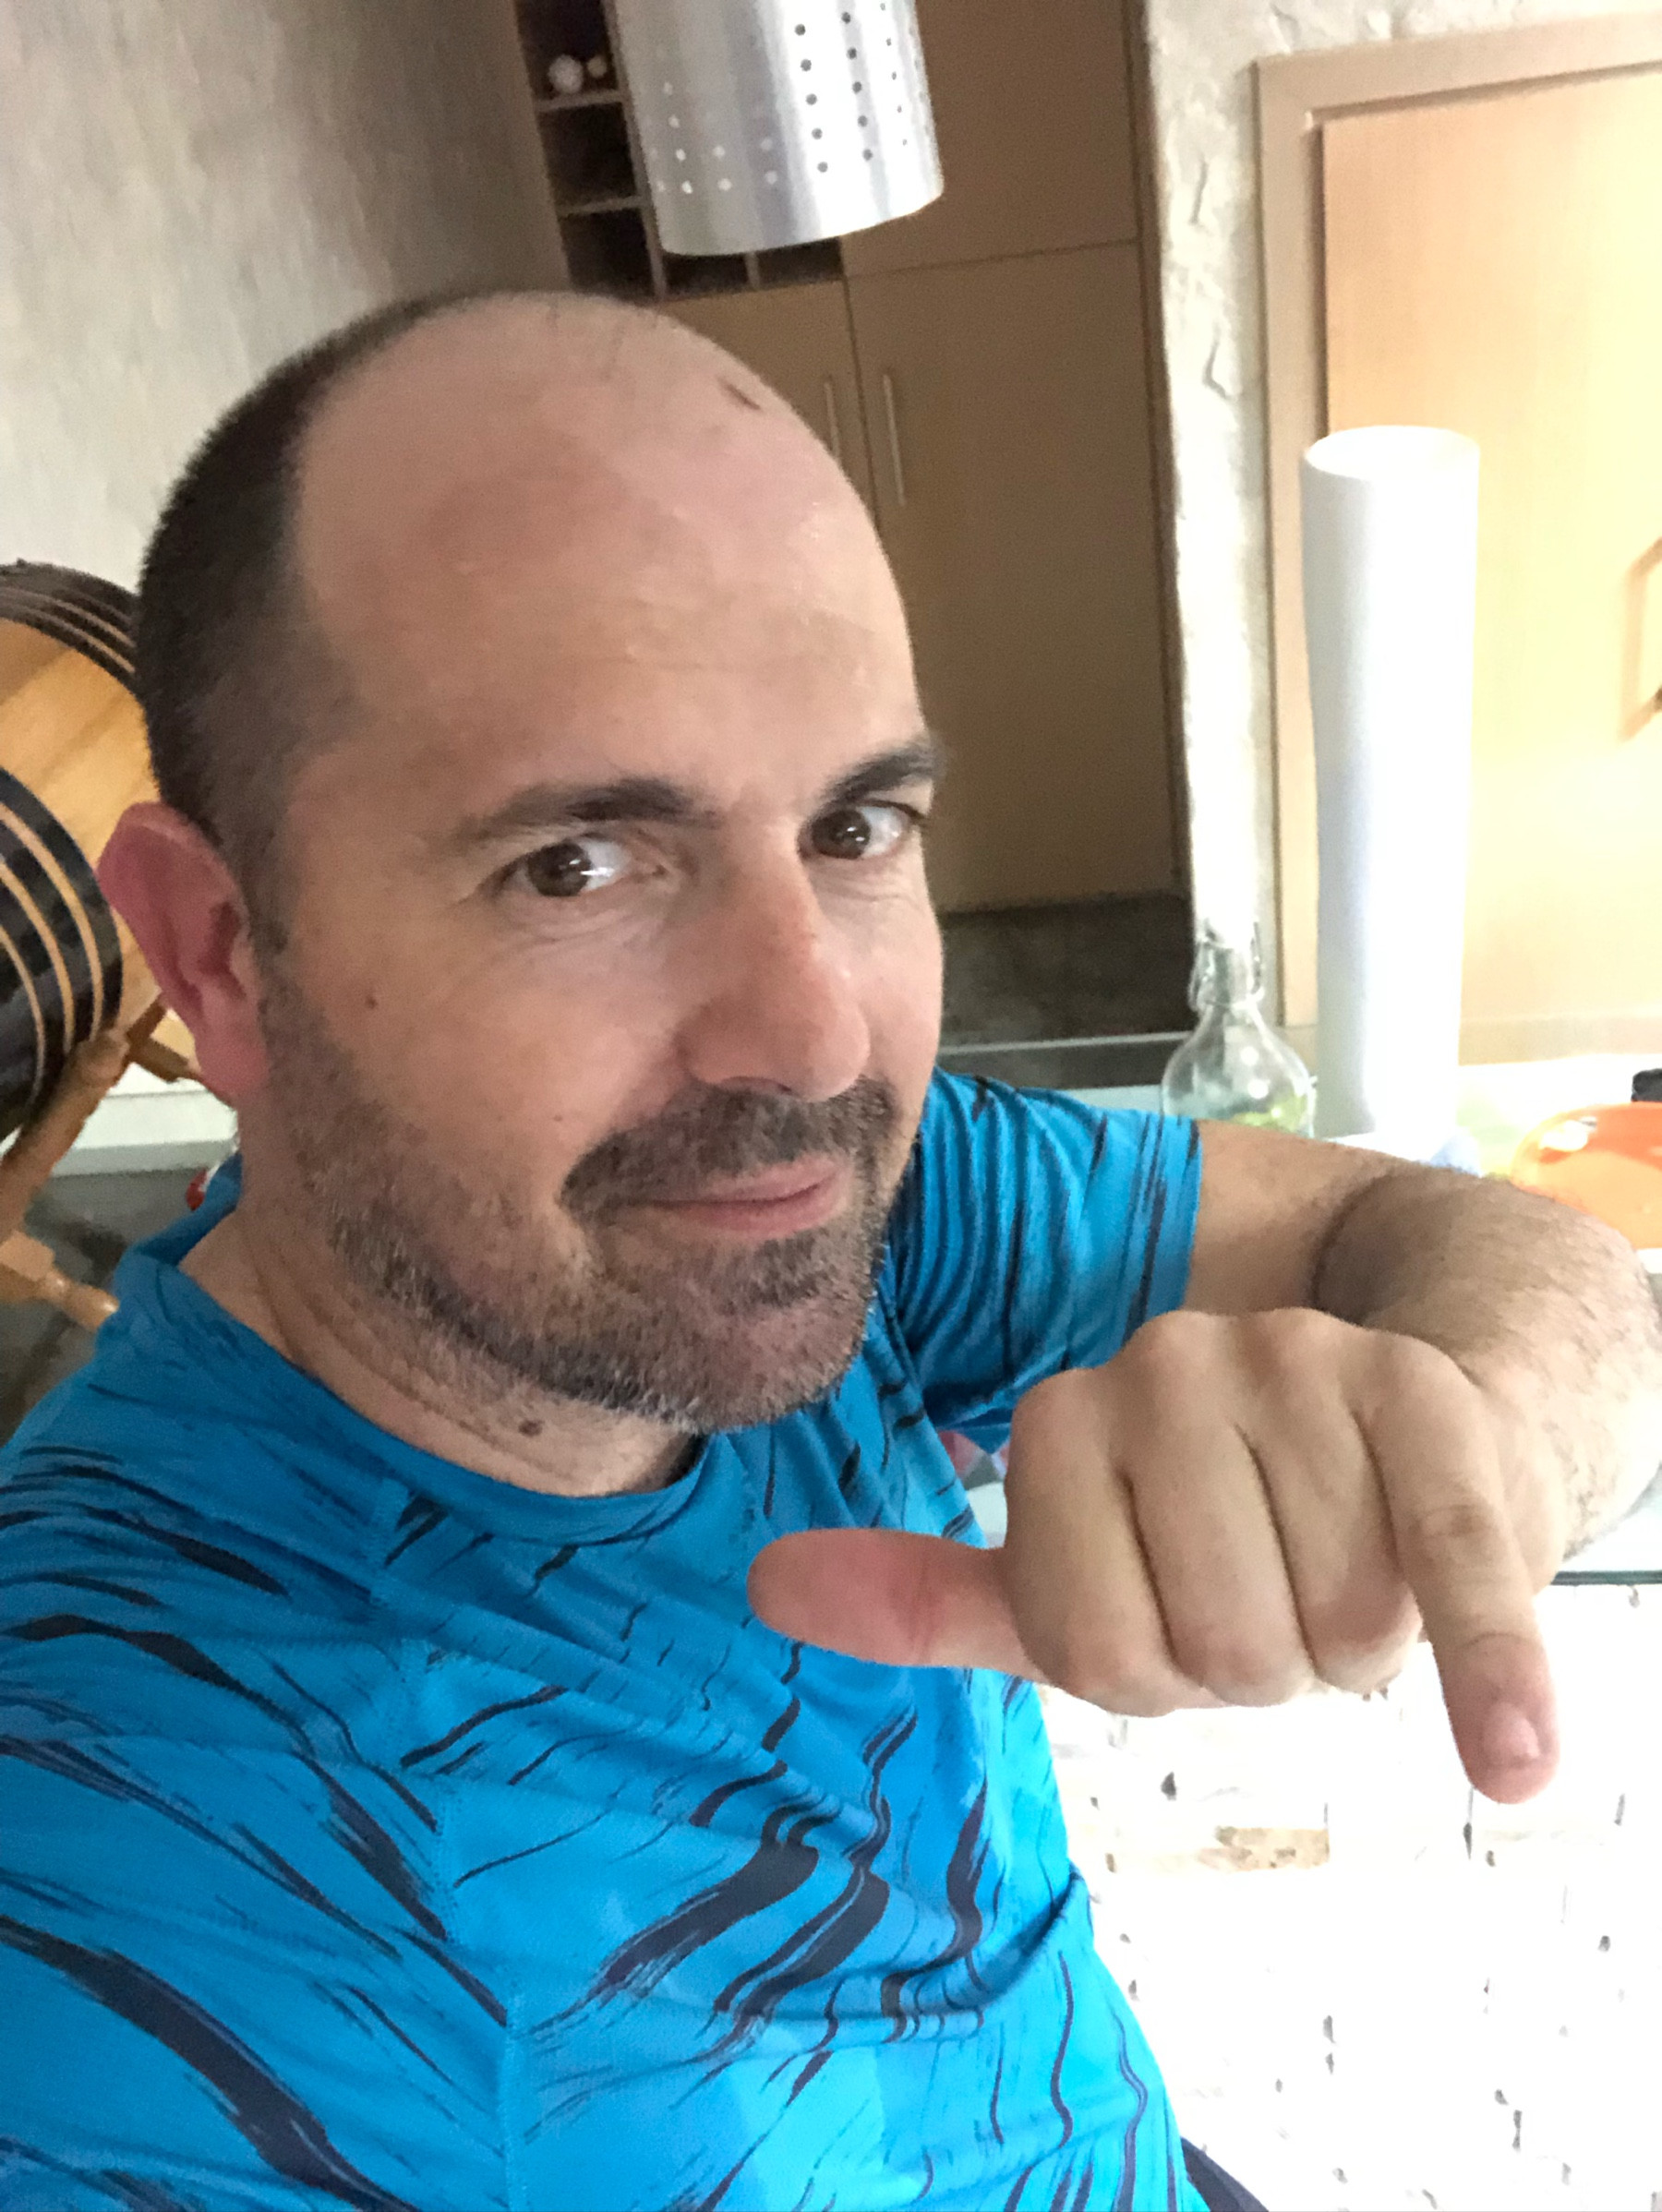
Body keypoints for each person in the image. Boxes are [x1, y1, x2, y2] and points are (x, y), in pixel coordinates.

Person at [0, 291, 1656, 2212]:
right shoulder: (125, 1889)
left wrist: (1471, 1443)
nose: (812, 1041)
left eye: (857, 824)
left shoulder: (831, 1216)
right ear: (218, 953)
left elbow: (1470, 1243)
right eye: (577, 865)